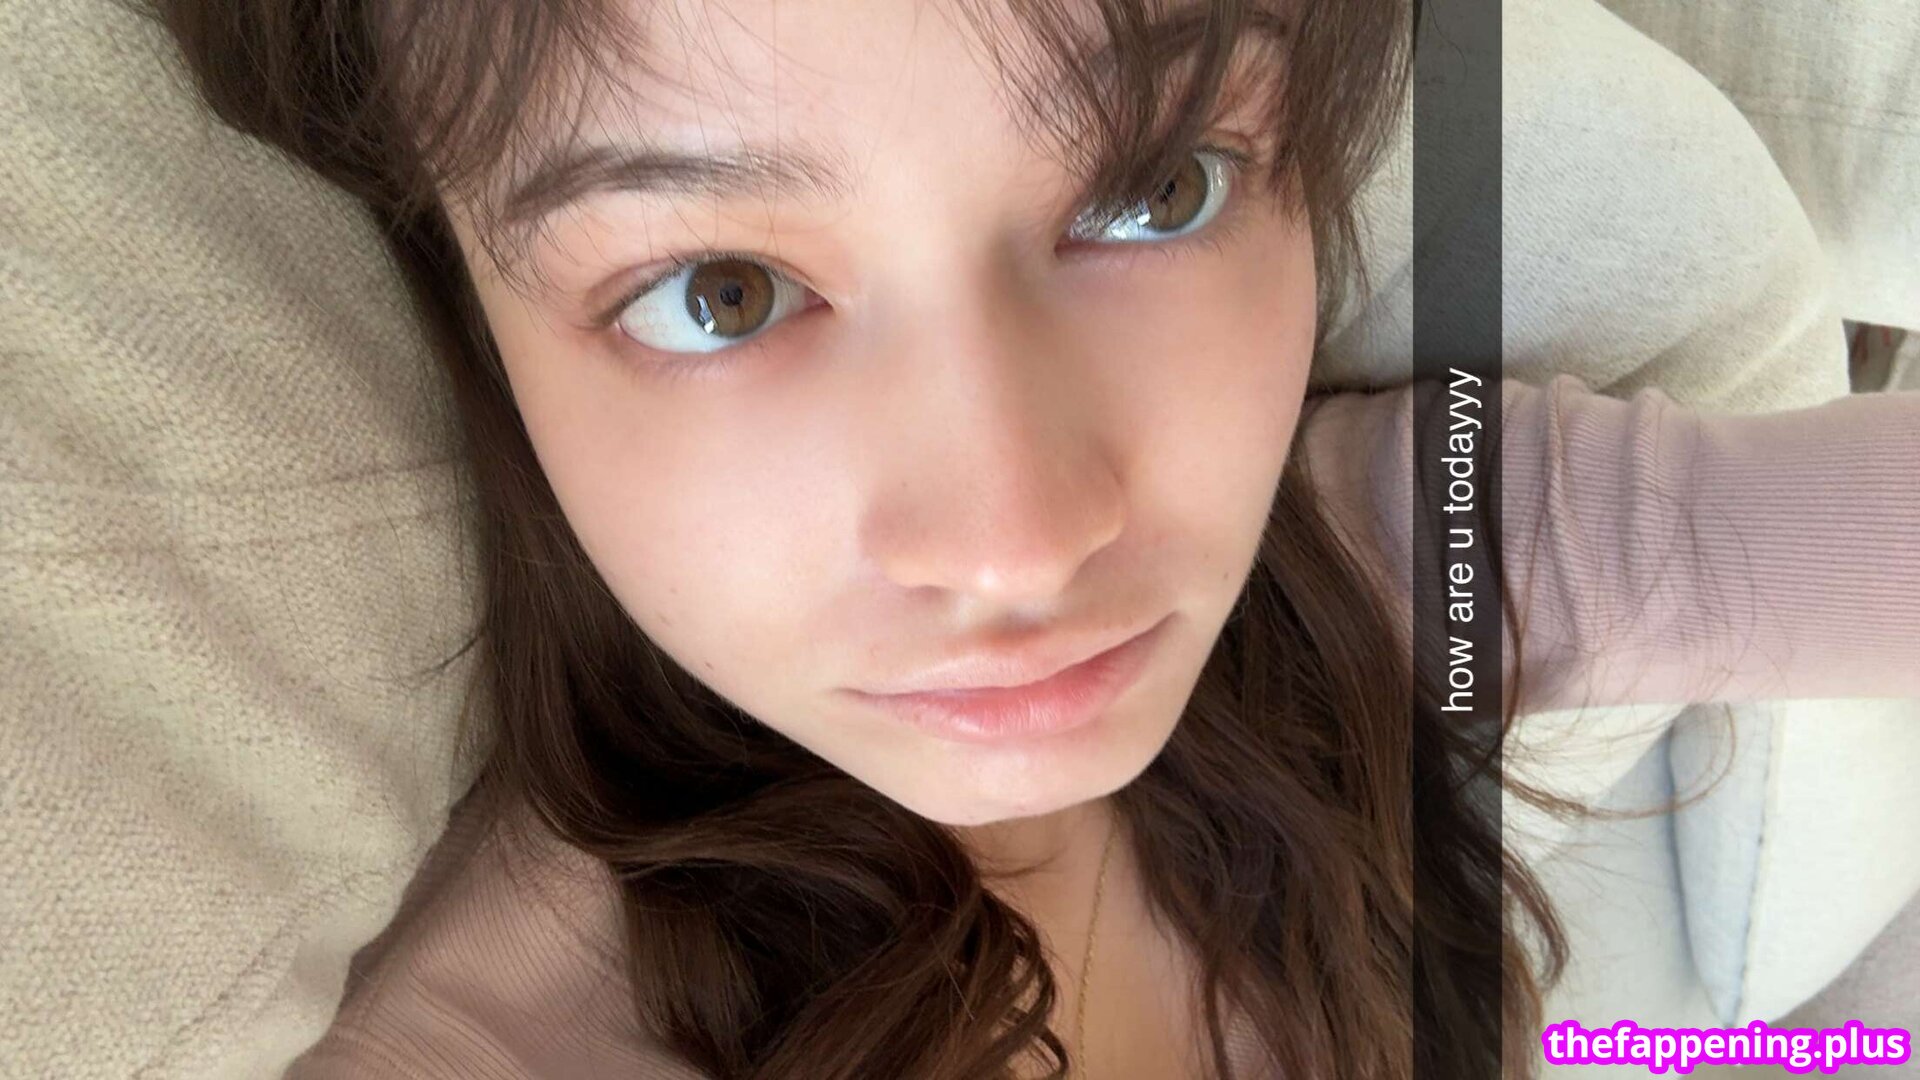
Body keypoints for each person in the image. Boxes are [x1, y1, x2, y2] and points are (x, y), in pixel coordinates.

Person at [151, 0, 1919, 1077]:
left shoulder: (1352, 573)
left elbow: (1723, 546)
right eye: (721, 291)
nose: (1020, 541)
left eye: (1157, 188)